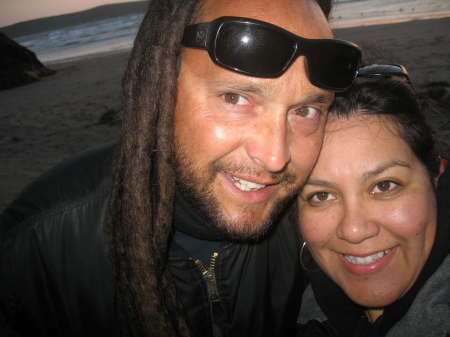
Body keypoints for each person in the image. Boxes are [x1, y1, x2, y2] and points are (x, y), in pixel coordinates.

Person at [0, 0, 362, 336]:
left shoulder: (311, 218)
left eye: (305, 111)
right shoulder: (35, 250)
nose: (274, 157)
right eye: (234, 98)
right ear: (160, 86)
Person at [296, 64, 450, 337]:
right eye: (322, 195)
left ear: (435, 174)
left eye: (384, 185)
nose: (354, 230)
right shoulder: (297, 314)